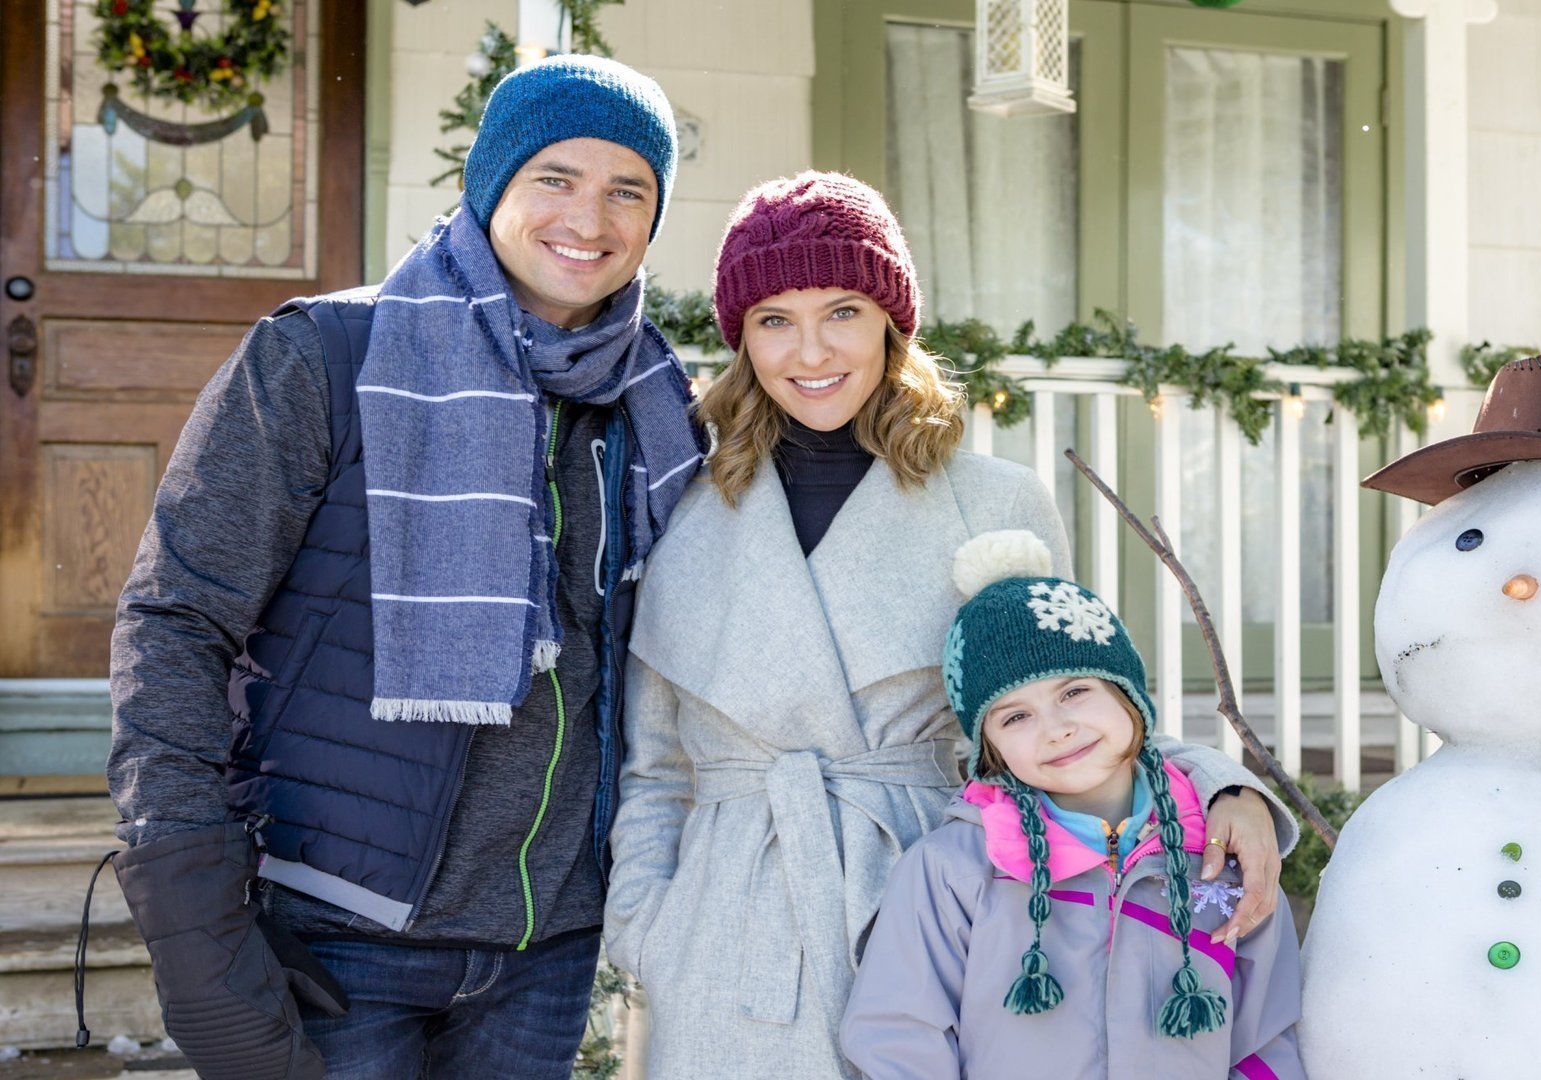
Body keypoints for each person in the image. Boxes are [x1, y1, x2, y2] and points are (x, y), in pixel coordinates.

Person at [602, 171, 1297, 1077]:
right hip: (731, 938)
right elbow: (655, 770)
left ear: (892, 320)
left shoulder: (995, 502)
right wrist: (651, 930)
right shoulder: (683, 508)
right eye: (774, 319)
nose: (810, 349)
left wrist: (1218, 786)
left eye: (842, 310)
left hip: (954, 906)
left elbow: (1076, 707)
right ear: (742, 340)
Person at [104, 55, 700, 1079]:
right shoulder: (325, 356)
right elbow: (175, 623)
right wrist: (195, 916)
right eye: (555, 177)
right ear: (492, 183)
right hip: (339, 932)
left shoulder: (655, 407)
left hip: (545, 948)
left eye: (627, 190)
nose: (590, 219)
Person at [840, 530, 1308, 1078]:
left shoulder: (1222, 859)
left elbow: (1264, 1038)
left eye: (1074, 691)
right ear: (991, 749)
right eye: (1015, 716)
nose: (1057, 729)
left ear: (1128, 695)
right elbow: (897, 1033)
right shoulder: (953, 870)